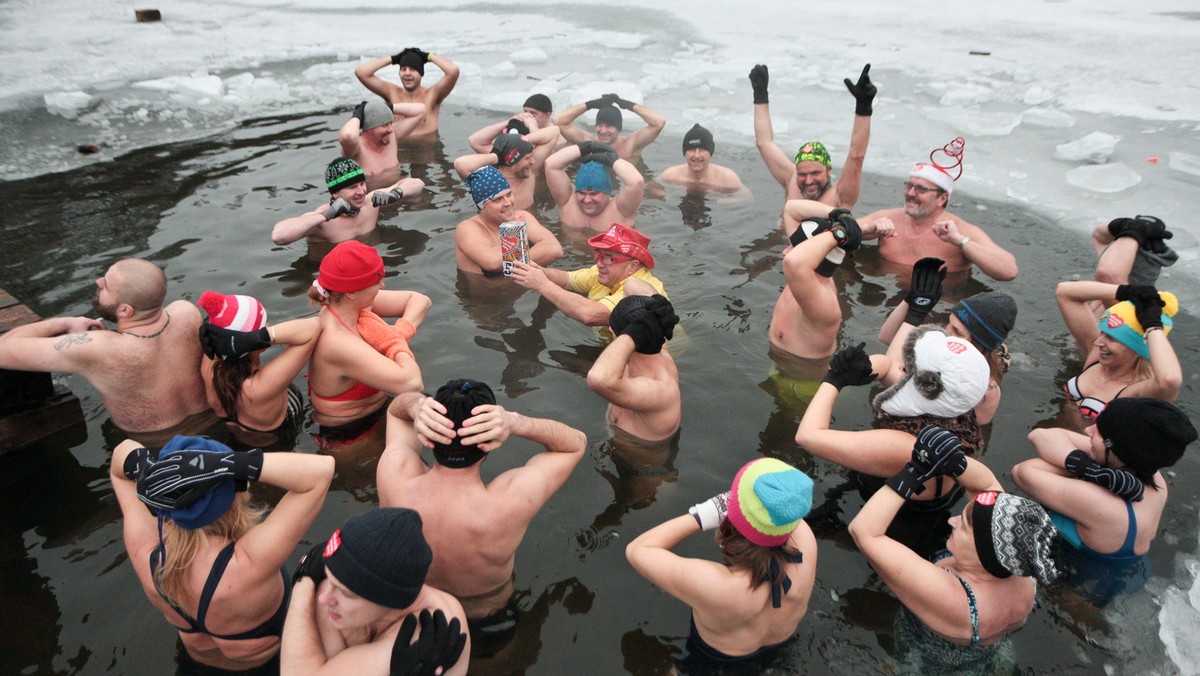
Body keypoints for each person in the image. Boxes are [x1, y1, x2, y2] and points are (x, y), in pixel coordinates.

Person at [376, 380, 587, 643]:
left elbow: (396, 411)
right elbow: (576, 443)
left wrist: (417, 405)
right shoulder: (511, 501)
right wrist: (515, 421)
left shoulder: (394, 475)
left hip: (408, 618)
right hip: (487, 620)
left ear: (428, 436)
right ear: (490, 444)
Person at [111, 435, 334, 673]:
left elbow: (120, 459)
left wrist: (150, 470)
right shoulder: (251, 561)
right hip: (265, 668)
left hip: (195, 667)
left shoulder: (147, 553)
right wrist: (230, 464)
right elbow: (321, 471)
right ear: (236, 494)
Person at [848, 433, 1060, 672]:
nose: (954, 521)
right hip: (989, 649)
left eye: (965, 527)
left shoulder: (954, 599)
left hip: (928, 662)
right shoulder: (1021, 563)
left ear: (984, 554)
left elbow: (864, 532)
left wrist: (914, 472)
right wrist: (955, 461)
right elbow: (986, 485)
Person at [625, 458, 817, 669]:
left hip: (716, 665)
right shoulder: (806, 543)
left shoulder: (717, 586)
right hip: (780, 651)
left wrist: (703, 514)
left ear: (731, 518)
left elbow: (637, 550)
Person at [0, 258, 209, 435]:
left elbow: (4, 349)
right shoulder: (187, 312)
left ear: (126, 311)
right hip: (213, 427)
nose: (98, 281)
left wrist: (64, 322)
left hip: (153, 447)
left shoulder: (97, 348)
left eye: (106, 285)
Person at [795, 331, 990, 513]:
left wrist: (834, 379)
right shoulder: (956, 408)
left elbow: (808, 436)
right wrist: (862, 367)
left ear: (927, 387)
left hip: (896, 519)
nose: (902, 367)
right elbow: (888, 366)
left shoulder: (906, 445)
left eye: (911, 367)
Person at [283, 508, 470, 674]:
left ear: (389, 600)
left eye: (345, 593)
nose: (325, 598)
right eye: (326, 575)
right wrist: (308, 576)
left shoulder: (424, 635)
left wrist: (302, 584)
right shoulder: (332, 596)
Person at [1018, 399, 1195, 563]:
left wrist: (1088, 470)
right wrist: (1091, 467)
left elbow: (1022, 471)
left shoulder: (1095, 501)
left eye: (1099, 432)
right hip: (1129, 573)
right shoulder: (1156, 480)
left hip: (1077, 589)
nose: (1088, 430)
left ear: (1116, 448)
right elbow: (1041, 435)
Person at [306, 241, 429, 436]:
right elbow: (412, 383)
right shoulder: (337, 341)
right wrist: (392, 342)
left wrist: (401, 330)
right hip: (349, 433)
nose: (382, 285)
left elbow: (420, 301)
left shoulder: (351, 306)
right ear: (352, 292)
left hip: (378, 410)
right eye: (376, 281)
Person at [876, 258, 1017, 424]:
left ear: (978, 345)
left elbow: (890, 373)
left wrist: (916, 315)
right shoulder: (944, 345)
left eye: (957, 331)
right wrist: (911, 300)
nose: (946, 332)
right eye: (949, 323)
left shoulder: (985, 389)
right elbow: (886, 337)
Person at [859, 138, 1018, 281]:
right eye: (909, 186)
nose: (910, 193)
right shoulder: (888, 219)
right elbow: (839, 229)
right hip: (891, 293)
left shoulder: (960, 231)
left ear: (942, 198)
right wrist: (866, 230)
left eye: (921, 189)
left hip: (941, 304)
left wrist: (959, 241)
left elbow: (1008, 271)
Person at [196, 291, 320, 447]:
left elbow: (218, 325)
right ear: (250, 342)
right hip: (277, 449)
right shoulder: (259, 388)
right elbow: (314, 327)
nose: (267, 327)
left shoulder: (210, 364)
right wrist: (260, 338)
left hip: (236, 440)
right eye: (264, 327)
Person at [749, 63, 874, 209]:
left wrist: (863, 108)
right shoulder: (792, 181)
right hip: (782, 232)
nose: (808, 181)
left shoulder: (840, 197)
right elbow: (764, 142)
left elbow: (856, 155)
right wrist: (760, 95)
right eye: (802, 174)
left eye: (815, 173)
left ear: (829, 170)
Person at [1054, 281, 1181, 426]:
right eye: (1103, 333)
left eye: (1111, 338)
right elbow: (1064, 292)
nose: (1097, 343)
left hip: (1086, 447)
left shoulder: (1138, 392)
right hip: (1059, 431)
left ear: (1137, 349)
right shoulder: (1097, 359)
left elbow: (1170, 381)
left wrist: (1152, 326)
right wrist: (1127, 291)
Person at [769, 202, 878, 359]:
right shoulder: (805, 277)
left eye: (793, 247)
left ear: (814, 258)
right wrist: (841, 215)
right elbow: (791, 209)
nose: (785, 251)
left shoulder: (824, 304)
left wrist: (838, 233)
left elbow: (793, 262)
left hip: (801, 380)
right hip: (778, 364)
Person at [509, 223, 665, 327]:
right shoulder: (604, 273)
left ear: (633, 266)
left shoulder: (640, 290)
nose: (599, 263)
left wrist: (542, 284)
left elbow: (591, 315)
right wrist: (538, 271)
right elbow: (566, 279)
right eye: (598, 255)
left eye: (608, 258)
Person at [586, 288, 681, 442]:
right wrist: (660, 303)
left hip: (640, 464)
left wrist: (634, 332)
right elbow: (631, 284)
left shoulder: (660, 390)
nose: (609, 328)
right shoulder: (658, 348)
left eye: (613, 328)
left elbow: (598, 378)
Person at [270, 157, 424, 245]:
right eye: (352, 187)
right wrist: (326, 215)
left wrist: (395, 194)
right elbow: (279, 236)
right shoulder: (321, 221)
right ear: (335, 192)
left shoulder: (371, 202)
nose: (361, 191)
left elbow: (418, 184)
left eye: (362, 184)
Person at [454, 166, 563, 277]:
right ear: (482, 206)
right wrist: (514, 232)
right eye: (497, 199)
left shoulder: (522, 216)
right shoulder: (467, 228)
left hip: (526, 289)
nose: (508, 203)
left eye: (509, 194)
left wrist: (509, 261)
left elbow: (555, 249)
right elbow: (492, 263)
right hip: (489, 293)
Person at [354, 47, 461, 139]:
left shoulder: (432, 95)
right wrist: (394, 58)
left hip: (428, 153)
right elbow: (361, 72)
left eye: (413, 69)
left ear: (421, 73)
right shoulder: (392, 93)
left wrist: (429, 56)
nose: (407, 73)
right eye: (403, 69)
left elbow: (453, 71)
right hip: (398, 152)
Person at [457, 117, 561, 211]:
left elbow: (554, 132)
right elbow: (460, 164)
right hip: (501, 227)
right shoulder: (489, 181)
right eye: (528, 158)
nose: (533, 162)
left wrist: (520, 141)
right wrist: (496, 157)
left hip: (528, 220)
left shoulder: (530, 171)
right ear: (512, 161)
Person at [543, 142, 644, 230]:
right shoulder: (567, 201)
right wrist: (586, 147)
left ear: (607, 193)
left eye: (594, 193)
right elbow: (551, 164)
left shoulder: (621, 210)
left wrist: (612, 160)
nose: (587, 200)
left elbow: (636, 182)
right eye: (582, 193)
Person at [552, 93, 665, 159]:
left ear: (619, 128)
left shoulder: (630, 145)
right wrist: (592, 104)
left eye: (609, 126)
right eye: (599, 125)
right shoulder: (588, 143)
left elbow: (659, 122)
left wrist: (627, 105)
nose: (603, 131)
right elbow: (558, 121)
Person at [337, 98, 426, 179]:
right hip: (372, 195)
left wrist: (386, 107)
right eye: (384, 125)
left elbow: (420, 110)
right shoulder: (355, 148)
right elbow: (347, 136)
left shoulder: (392, 136)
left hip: (397, 192)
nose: (390, 129)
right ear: (368, 129)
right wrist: (358, 115)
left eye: (391, 123)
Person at [1091, 214, 1178, 287]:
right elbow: (1107, 274)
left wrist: (1132, 229)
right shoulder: (1130, 304)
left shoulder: (1115, 302)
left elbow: (1107, 273)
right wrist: (1131, 229)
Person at [659, 123, 747, 194]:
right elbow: (653, 187)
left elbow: (746, 198)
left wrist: (719, 202)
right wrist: (666, 196)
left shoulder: (728, 178)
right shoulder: (670, 175)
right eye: (692, 149)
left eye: (702, 150)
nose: (697, 155)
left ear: (710, 153)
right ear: (684, 153)